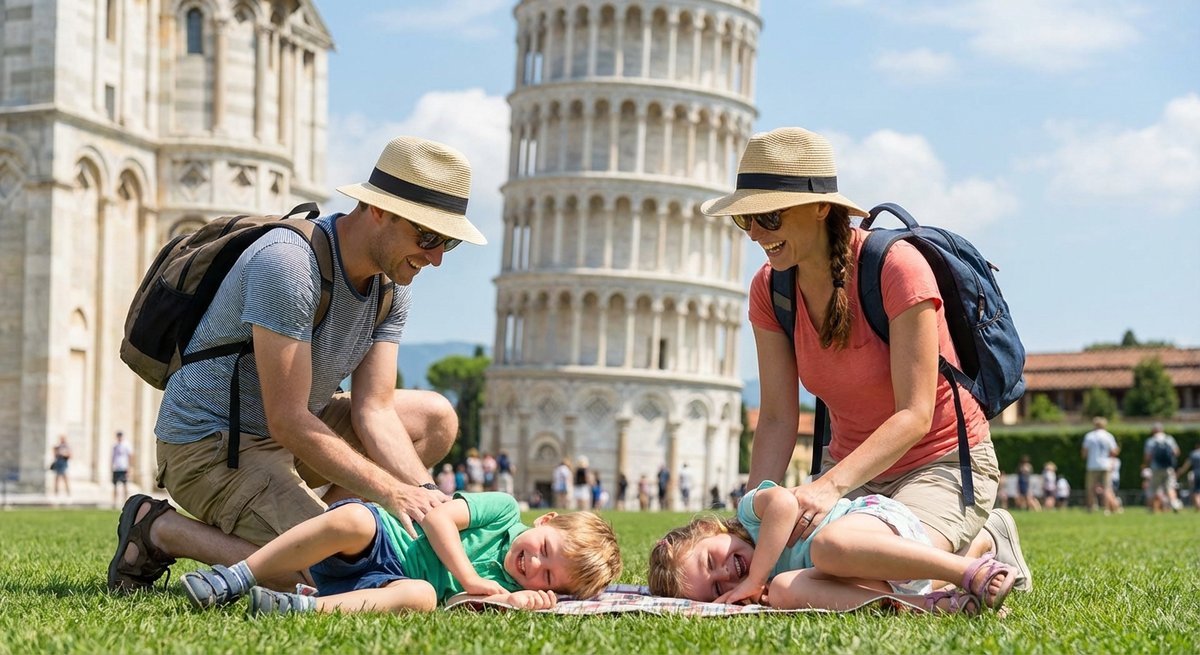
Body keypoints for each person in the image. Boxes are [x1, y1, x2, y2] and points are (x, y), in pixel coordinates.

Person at [107, 136, 486, 593]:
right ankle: (159, 530)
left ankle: (339, 530)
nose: (437, 258)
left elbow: (376, 410)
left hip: (288, 439)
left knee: (435, 419)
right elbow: (287, 419)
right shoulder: (288, 264)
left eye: (448, 242)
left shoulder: (393, 286)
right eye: (427, 237)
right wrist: (390, 491)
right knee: (337, 574)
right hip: (211, 445)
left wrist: (426, 497)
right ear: (380, 210)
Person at [700, 127, 1030, 592]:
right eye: (745, 220)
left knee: (872, 572)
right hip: (851, 473)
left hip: (940, 465)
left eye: (768, 216)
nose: (755, 233)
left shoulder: (896, 267)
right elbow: (775, 417)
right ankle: (942, 565)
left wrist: (829, 487)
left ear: (820, 207)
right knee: (791, 577)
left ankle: (986, 542)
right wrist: (751, 519)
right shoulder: (770, 290)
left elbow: (914, 415)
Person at [180, 492, 622, 614]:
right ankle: (237, 575)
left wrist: (512, 601)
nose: (534, 565)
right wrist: (470, 576)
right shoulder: (504, 511)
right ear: (545, 521)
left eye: (547, 577)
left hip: (388, 585)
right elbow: (436, 520)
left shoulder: (509, 586)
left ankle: (299, 608)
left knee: (424, 598)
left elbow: (458, 606)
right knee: (352, 520)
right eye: (544, 550)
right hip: (387, 539)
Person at [648, 480, 1017, 615]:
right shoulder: (764, 587)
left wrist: (755, 576)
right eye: (717, 589)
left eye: (712, 559)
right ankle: (928, 606)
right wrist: (764, 587)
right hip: (887, 584)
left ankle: (969, 572)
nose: (726, 573)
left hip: (877, 528)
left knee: (827, 547)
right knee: (782, 590)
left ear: (711, 529)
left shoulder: (750, 515)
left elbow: (784, 504)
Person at [1081, 417, 1119, 513]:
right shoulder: (1108, 436)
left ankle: (1091, 507)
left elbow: (1084, 452)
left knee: (1090, 488)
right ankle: (1106, 509)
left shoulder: (1089, 436)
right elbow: (1114, 451)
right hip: (1105, 465)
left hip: (1092, 465)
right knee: (1107, 488)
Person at [1143, 422, 1180, 513]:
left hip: (1155, 468)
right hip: (1168, 467)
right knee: (1170, 487)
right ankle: (1174, 504)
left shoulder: (1151, 441)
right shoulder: (1169, 439)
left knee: (1153, 488)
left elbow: (1148, 456)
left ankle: (1151, 507)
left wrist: (1146, 465)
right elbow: (1176, 452)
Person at [1175, 442, 1200, 511]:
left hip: (1196, 473)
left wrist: (1180, 472)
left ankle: (1198, 506)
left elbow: (1187, 465)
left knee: (1196, 491)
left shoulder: (1194, 454)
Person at [111, 431, 133, 507]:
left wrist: (129, 467)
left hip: (124, 467)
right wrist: (111, 466)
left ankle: (125, 501)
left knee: (125, 485)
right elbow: (113, 457)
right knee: (115, 485)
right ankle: (114, 502)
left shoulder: (126, 445)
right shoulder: (115, 445)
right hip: (116, 468)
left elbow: (130, 456)